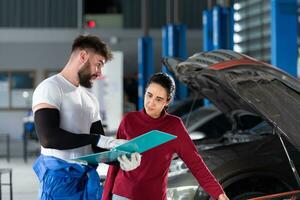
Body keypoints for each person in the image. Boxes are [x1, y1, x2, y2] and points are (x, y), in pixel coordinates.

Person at [32, 34, 141, 200]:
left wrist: (122, 160)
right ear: (83, 56)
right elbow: (48, 138)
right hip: (59, 183)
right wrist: (97, 139)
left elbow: (98, 148)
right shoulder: (50, 88)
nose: (99, 73)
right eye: (98, 65)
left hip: (87, 181)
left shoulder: (90, 99)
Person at [102, 72, 229, 200]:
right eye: (149, 95)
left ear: (167, 101)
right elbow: (114, 164)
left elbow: (196, 164)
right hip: (123, 195)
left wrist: (218, 194)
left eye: (158, 99)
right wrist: (105, 197)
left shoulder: (174, 126)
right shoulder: (128, 120)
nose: (151, 103)